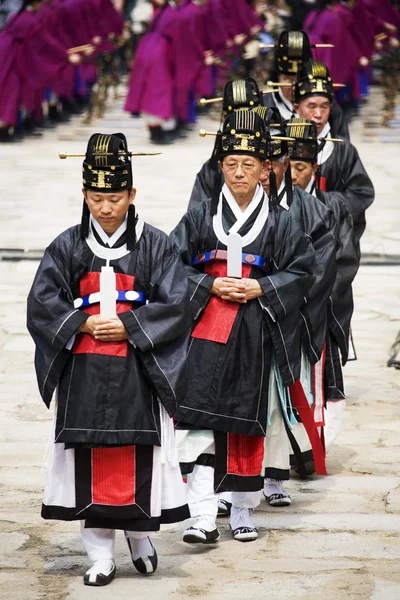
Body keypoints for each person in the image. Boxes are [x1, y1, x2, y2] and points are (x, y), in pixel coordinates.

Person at [27, 133, 190, 586]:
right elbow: (42, 303)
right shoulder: (67, 246)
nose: (105, 208)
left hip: (137, 370)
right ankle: (98, 553)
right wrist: (80, 324)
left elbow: (176, 303)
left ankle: (140, 537)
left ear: (132, 195)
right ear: (83, 194)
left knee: (138, 453)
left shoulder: (157, 245)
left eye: (115, 198)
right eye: (97, 198)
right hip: (84, 371)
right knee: (88, 457)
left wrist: (130, 326)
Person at [171, 110, 317, 543]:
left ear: (265, 169)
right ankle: (200, 514)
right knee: (198, 425)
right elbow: (170, 266)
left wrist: (262, 289)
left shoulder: (281, 221)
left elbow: (303, 271)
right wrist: (209, 283)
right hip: (205, 333)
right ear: (220, 167)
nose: (239, 172)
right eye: (231, 163)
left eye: (249, 164)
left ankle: (241, 509)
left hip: (254, 334)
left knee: (247, 424)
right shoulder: (199, 216)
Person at [285, 116, 359, 467]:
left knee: (318, 384)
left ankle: (311, 451)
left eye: (301, 166)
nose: (294, 173)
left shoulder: (332, 206)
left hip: (321, 306)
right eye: (290, 165)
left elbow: (343, 260)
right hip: (285, 306)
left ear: (315, 167)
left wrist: (316, 297)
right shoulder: (277, 204)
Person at [293, 59, 374, 255]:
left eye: (325, 107)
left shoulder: (343, 150)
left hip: (333, 240)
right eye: (311, 106)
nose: (318, 114)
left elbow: (361, 193)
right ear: (296, 107)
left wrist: (319, 200)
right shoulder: (280, 142)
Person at [189, 77, 264, 208]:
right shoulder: (211, 169)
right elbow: (196, 214)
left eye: (249, 113)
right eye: (234, 115)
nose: (242, 122)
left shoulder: (277, 156)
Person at [262, 29, 350, 139]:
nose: (293, 85)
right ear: (277, 76)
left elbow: (344, 149)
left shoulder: (329, 109)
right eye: (287, 79)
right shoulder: (263, 107)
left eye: (298, 79)